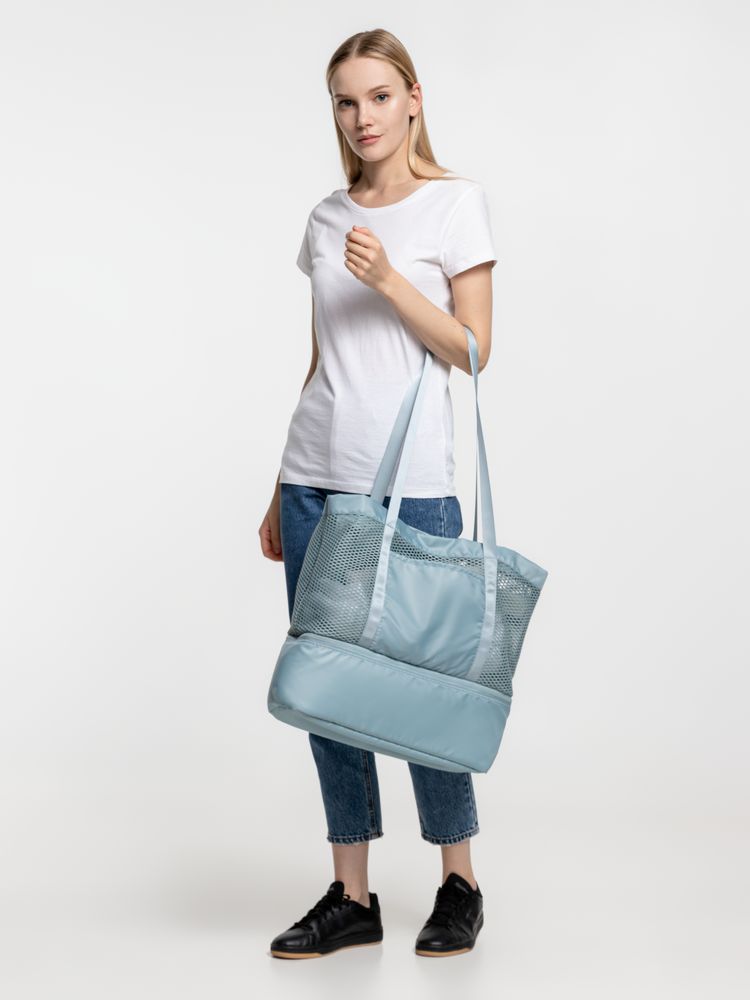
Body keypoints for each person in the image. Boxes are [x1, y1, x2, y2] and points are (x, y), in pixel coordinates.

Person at [259, 28, 497, 959]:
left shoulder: (454, 205)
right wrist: (279, 484)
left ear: (413, 99)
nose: (363, 117)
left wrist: (391, 280)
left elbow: (473, 350)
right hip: (314, 479)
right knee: (328, 695)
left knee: (424, 695)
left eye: (379, 96)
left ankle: (459, 881)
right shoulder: (325, 217)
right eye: (346, 101)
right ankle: (352, 895)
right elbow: (323, 356)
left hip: (412, 489)